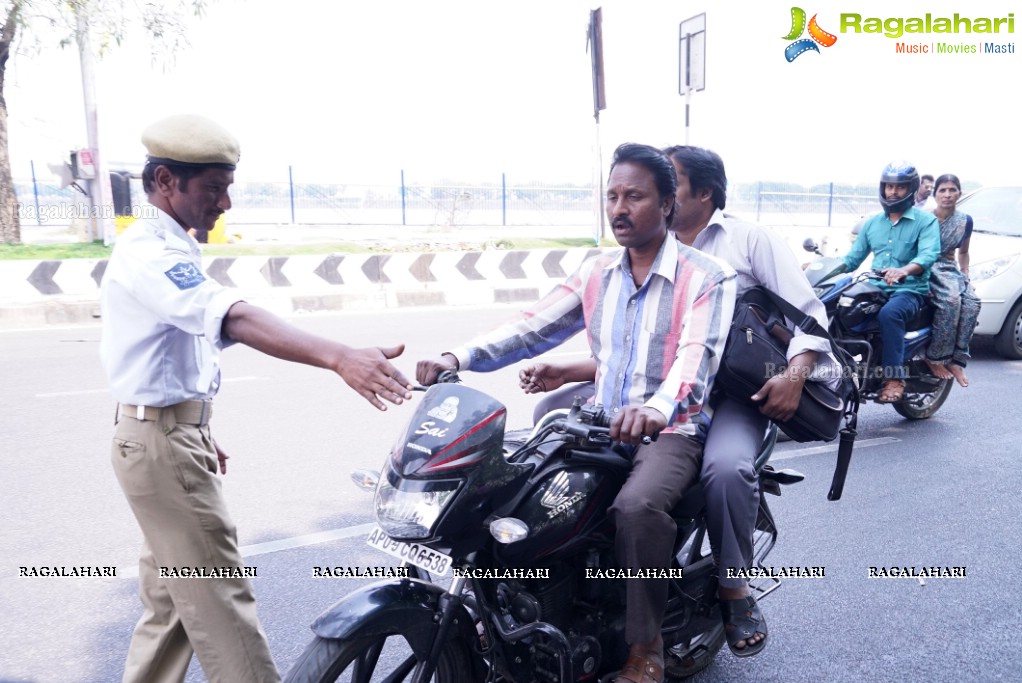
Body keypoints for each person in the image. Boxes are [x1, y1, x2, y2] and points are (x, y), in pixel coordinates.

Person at [101, 114, 413, 683]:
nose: (224, 203)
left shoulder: (165, 244)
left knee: (172, 607)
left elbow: (162, 360)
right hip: (160, 443)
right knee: (220, 603)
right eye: (212, 189)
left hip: (163, 436)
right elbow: (234, 316)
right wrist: (339, 356)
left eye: (228, 188)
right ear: (167, 180)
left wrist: (193, 427)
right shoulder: (151, 251)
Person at [418, 143, 737, 683]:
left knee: (637, 509)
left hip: (670, 431)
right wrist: (460, 357)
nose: (619, 207)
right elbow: (532, 326)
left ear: (666, 205)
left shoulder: (707, 275)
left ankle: (646, 650)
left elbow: (694, 364)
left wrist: (656, 410)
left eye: (634, 196)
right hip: (597, 420)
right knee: (508, 490)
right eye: (612, 195)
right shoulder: (597, 271)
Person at [521, 145, 838, 658]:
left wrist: (795, 375)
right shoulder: (634, 253)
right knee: (550, 419)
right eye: (616, 195)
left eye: (665, 184)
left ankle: (735, 590)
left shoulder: (746, 243)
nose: (626, 204)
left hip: (729, 391)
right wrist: (567, 367)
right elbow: (636, 346)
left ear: (687, 197)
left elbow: (810, 319)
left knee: (729, 469)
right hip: (654, 392)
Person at [837, 161, 940, 402]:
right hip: (875, 288)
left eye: (900, 187)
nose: (892, 192)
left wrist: (904, 270)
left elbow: (928, 255)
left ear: (911, 189)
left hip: (910, 290)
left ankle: (894, 377)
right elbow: (852, 259)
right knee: (841, 310)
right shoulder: (872, 223)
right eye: (888, 187)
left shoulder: (926, 222)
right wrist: (818, 269)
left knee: (890, 315)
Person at [923, 173, 981, 387]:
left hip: (950, 268)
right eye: (942, 190)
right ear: (935, 194)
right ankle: (935, 357)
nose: (947, 195)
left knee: (973, 303)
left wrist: (965, 272)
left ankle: (957, 360)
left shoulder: (965, 220)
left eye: (952, 190)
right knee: (950, 302)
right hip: (927, 266)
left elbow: (963, 252)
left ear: (959, 193)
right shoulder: (925, 219)